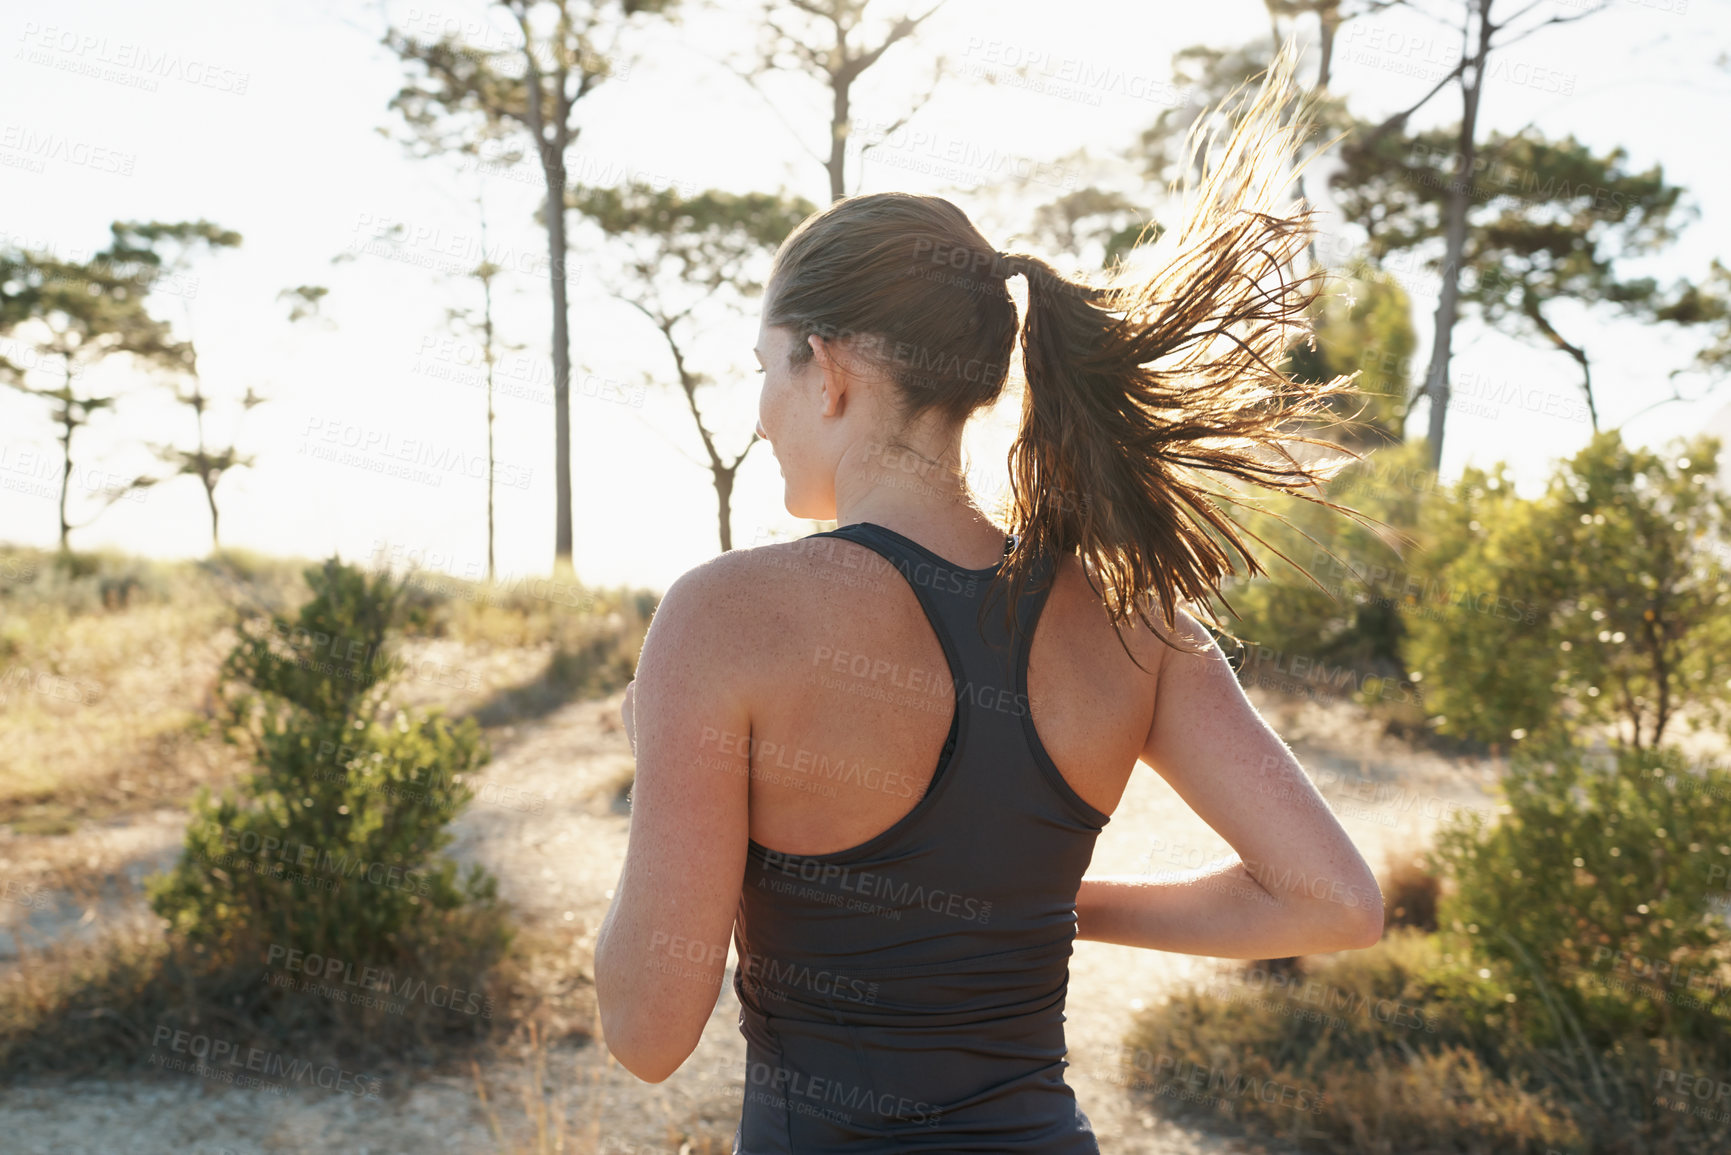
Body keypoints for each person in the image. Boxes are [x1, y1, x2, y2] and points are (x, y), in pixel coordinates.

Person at [594, 49, 1385, 1153]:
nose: (761, 412)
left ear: (826, 369)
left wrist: (670, 800)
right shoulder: (1129, 619)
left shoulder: (727, 617)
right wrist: (1061, 908)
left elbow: (645, 1031)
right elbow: (1334, 902)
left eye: (766, 368)